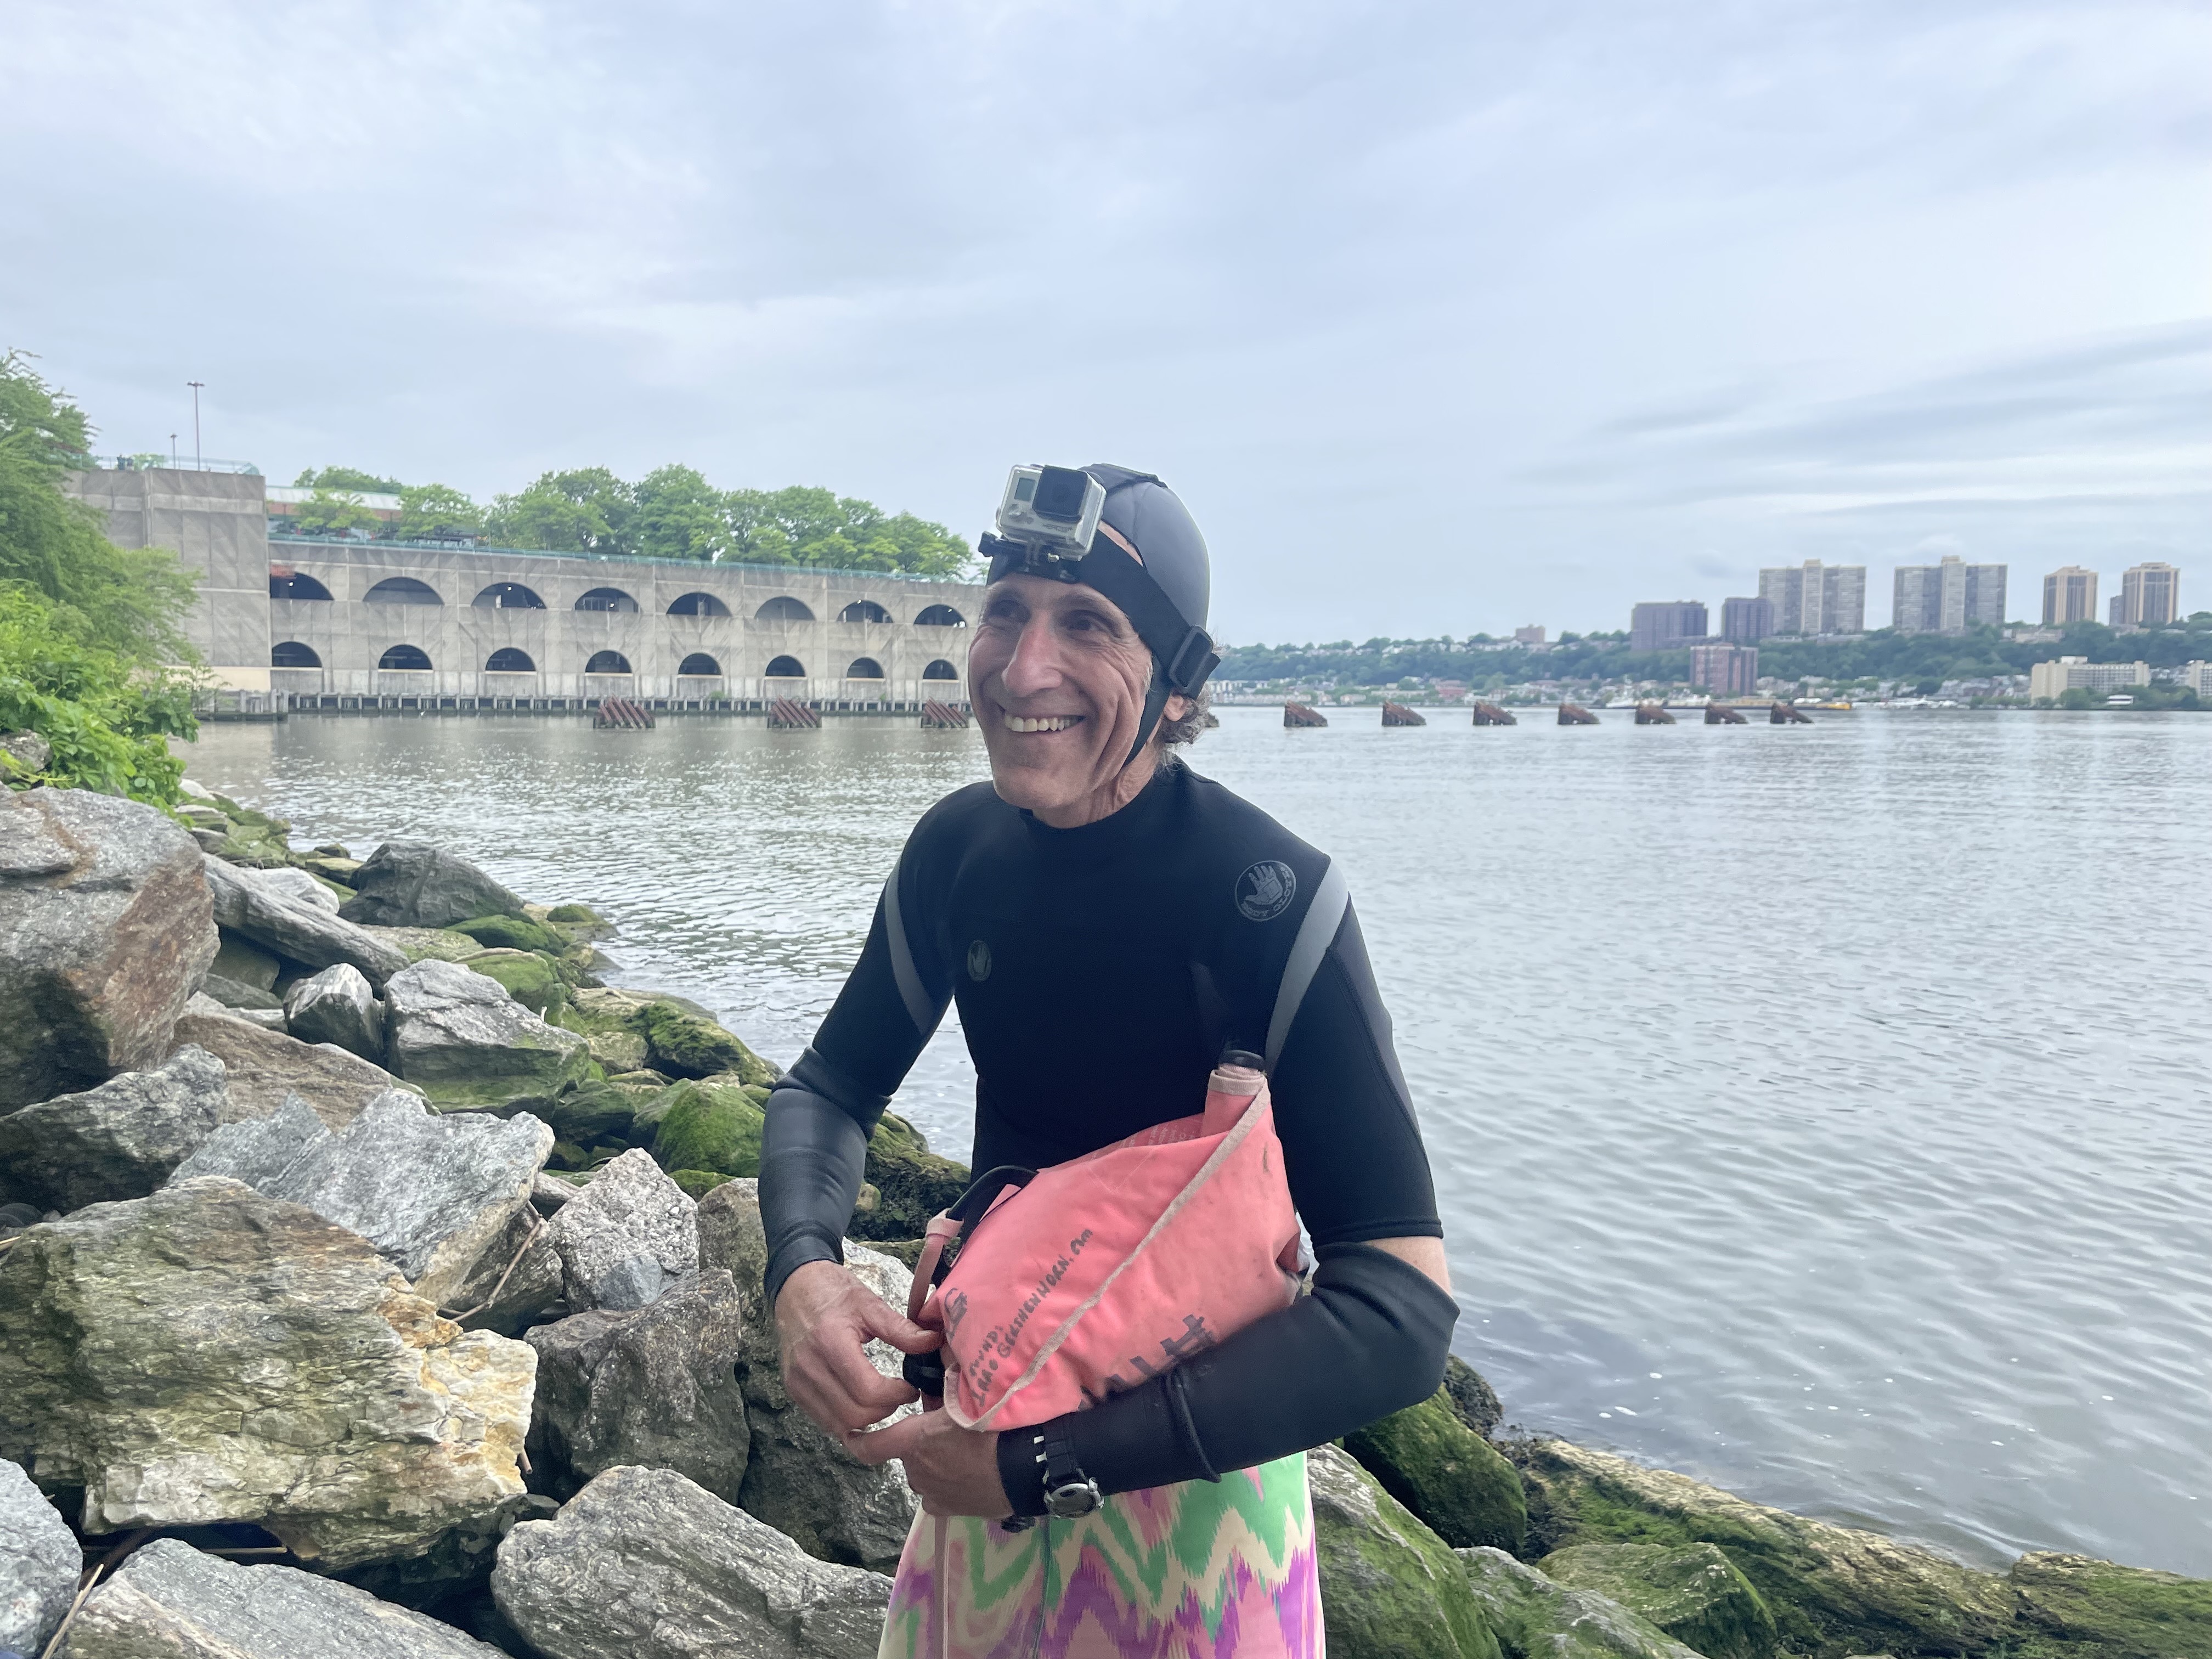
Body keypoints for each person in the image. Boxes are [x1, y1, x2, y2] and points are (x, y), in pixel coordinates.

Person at [759, 464, 1457, 1658]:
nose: (1025, 667)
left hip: (1192, 1518)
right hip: (978, 1461)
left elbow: (1399, 1307)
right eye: (1007, 610)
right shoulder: (957, 854)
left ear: (1181, 685)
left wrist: (1038, 1467)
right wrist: (802, 1275)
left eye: (1087, 624)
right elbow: (828, 1090)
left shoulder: (1270, 901)